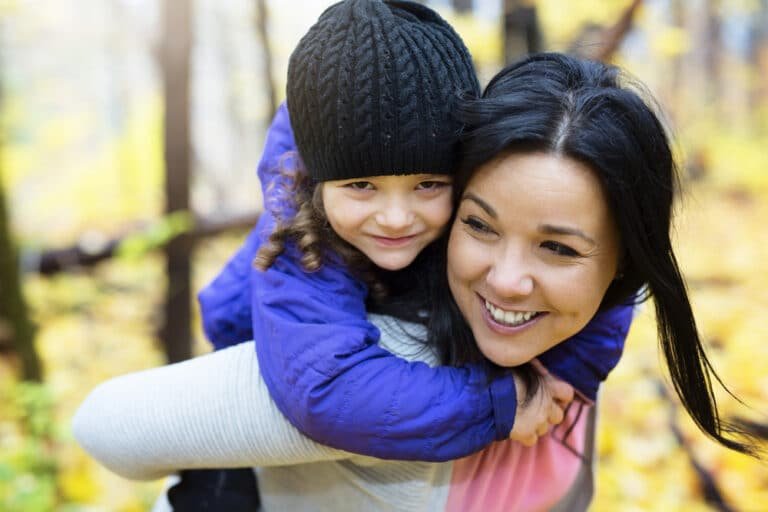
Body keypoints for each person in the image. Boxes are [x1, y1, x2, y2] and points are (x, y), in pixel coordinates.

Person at [75, 52, 761, 511]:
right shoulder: (393, 363)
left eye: (557, 248)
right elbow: (104, 426)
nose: (510, 280)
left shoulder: (555, 352)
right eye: (480, 226)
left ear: (624, 264)